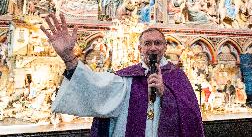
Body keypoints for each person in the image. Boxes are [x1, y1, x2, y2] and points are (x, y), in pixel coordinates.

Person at [40, 13, 204, 137]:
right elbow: (95, 87)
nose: (153, 48)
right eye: (147, 43)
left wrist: (165, 94)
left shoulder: (177, 77)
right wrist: (68, 58)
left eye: (158, 43)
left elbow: (190, 116)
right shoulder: (125, 79)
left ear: (165, 47)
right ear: (140, 49)